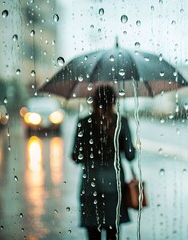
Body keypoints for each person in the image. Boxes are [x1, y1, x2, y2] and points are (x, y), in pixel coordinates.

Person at [71, 85, 136, 240]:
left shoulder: (84, 122)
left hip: (90, 185)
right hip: (114, 186)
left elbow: (75, 156)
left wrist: (89, 152)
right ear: (113, 101)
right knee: (113, 233)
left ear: (93, 102)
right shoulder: (121, 122)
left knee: (93, 233)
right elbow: (130, 155)